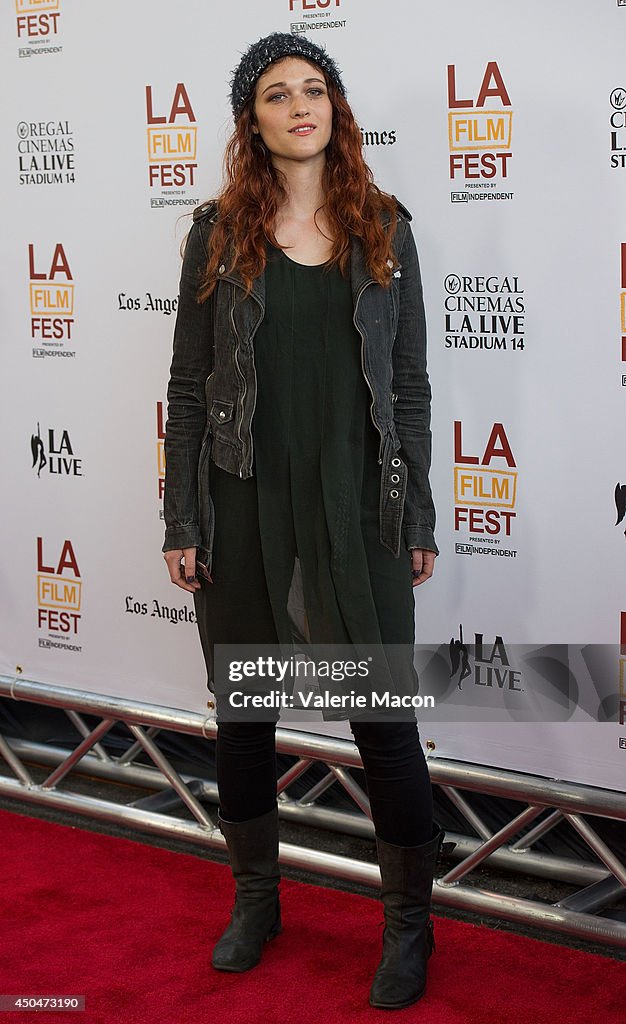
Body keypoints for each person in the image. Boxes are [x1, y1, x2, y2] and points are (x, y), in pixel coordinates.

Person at [162, 31, 446, 1011]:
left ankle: (409, 925)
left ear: (335, 108)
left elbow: (405, 384)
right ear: (252, 119)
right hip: (243, 497)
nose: (299, 106)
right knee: (244, 717)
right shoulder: (215, 232)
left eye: (313, 89)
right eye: (277, 94)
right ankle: (255, 899)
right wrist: (180, 516)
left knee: (383, 722)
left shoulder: (384, 225)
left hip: (355, 498)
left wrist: (416, 506)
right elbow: (188, 389)